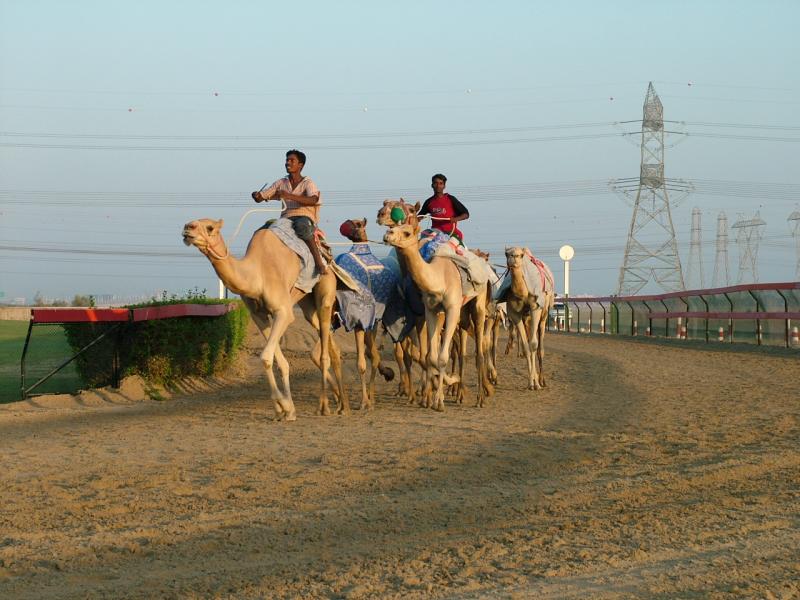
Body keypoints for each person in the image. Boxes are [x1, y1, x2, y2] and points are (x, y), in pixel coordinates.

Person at [251, 149, 327, 273]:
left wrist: (289, 196)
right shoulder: (281, 182)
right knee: (262, 231)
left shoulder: (308, 183)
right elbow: (263, 196)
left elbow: (313, 200)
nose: (288, 163)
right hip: (286, 218)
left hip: (304, 216)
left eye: (292, 160)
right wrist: (257, 195)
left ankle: (318, 262)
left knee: (302, 226)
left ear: (300, 165)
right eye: (287, 160)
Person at [418, 173, 469, 243]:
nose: (438, 186)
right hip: (435, 233)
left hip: (451, 233)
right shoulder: (429, 202)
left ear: (444, 186)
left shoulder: (451, 199)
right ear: (432, 185)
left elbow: (466, 214)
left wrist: (455, 219)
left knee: (460, 251)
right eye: (435, 183)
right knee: (422, 242)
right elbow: (420, 216)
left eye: (441, 183)